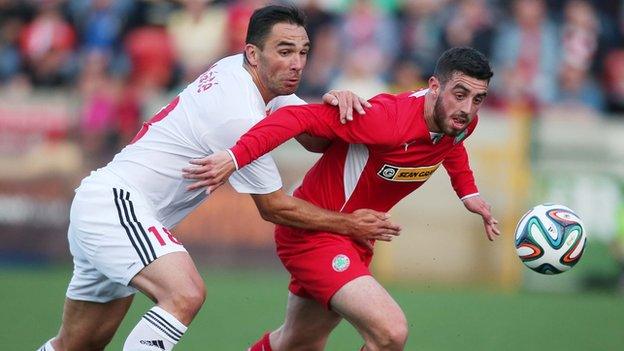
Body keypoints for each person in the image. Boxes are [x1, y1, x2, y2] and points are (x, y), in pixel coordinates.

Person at [36, 5, 401, 351]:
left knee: (78, 345)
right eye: (285, 51)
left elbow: (316, 141)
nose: (297, 64)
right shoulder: (238, 116)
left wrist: (333, 102)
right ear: (253, 54)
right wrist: (350, 224)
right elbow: (274, 207)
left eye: (303, 52)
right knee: (185, 293)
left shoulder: (250, 78)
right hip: (117, 204)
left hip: (111, 208)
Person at [183, 47, 502, 350]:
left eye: (478, 99)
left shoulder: (461, 121)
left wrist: (468, 193)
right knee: (391, 332)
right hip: (313, 232)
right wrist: (235, 156)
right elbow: (298, 118)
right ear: (434, 86)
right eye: (460, 95)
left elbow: (452, 145)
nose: (468, 108)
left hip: (354, 236)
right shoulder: (386, 121)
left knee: (297, 343)